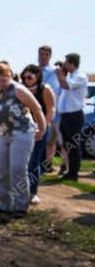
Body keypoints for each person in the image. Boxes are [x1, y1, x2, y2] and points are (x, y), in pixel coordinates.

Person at [0, 62, 46, 217]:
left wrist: (42, 128)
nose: (0, 83)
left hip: (22, 134)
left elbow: (37, 108)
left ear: (9, 76)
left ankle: (21, 205)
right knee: (2, 171)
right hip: (2, 135)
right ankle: (5, 204)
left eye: (3, 80)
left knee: (17, 169)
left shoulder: (19, 90)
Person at [20, 64, 56, 204]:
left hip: (39, 130)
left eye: (29, 77)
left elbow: (50, 109)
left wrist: (43, 128)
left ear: (38, 77)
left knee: (34, 161)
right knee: (22, 162)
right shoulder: (21, 89)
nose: (26, 79)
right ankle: (20, 190)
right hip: (23, 129)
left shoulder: (45, 89)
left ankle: (33, 192)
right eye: (24, 77)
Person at [55, 53, 88, 181]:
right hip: (66, 116)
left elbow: (66, 86)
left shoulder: (80, 76)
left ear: (71, 63)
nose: (64, 65)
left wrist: (59, 74)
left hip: (74, 116)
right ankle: (70, 170)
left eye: (66, 62)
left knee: (74, 145)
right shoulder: (70, 76)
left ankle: (74, 173)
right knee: (67, 144)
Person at [38, 45, 62, 172]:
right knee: (38, 137)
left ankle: (47, 164)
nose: (43, 57)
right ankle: (38, 164)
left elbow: (58, 90)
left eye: (46, 55)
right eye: (41, 54)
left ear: (50, 56)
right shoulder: (34, 70)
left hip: (51, 109)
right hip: (37, 109)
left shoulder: (55, 71)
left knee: (50, 140)